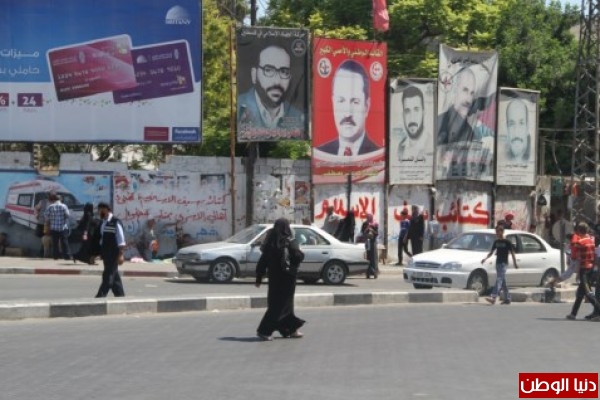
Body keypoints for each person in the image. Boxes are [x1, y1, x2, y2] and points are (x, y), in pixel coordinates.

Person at [255, 218, 305, 341]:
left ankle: (290, 330)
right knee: (281, 306)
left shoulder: (270, 243)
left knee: (280, 304)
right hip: (288, 279)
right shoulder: (290, 241)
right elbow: (298, 256)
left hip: (274, 279)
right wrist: (300, 253)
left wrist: (259, 277)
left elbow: (262, 261)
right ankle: (264, 331)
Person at [317, 60, 380, 156]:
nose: (347, 114)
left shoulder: (377, 155)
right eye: (341, 101)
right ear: (333, 103)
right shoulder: (321, 154)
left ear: (366, 106)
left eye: (355, 102)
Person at [237, 45, 303, 131]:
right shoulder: (238, 109)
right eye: (268, 70)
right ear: (254, 75)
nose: (277, 82)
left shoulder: (298, 117)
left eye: (284, 72)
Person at [565, 223, 600, 320]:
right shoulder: (591, 241)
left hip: (584, 270)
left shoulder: (580, 242)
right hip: (590, 269)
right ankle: (573, 314)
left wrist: (574, 236)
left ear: (579, 231)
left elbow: (574, 248)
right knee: (580, 293)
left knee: (588, 293)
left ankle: (598, 310)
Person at [91, 202, 126, 298]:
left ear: (106, 210)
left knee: (108, 276)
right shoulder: (103, 222)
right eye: (99, 211)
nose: (99, 212)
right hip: (106, 254)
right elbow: (101, 239)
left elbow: (121, 240)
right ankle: (120, 296)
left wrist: (121, 255)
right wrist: (95, 254)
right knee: (114, 277)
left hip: (114, 254)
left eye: (101, 210)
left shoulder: (115, 222)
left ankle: (100, 297)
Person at [482, 225, 519, 305]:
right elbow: (491, 252)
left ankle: (493, 297)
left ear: (502, 231)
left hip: (503, 263)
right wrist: (485, 259)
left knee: (499, 279)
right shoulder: (496, 242)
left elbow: (512, 253)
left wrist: (515, 263)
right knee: (502, 282)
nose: (496, 233)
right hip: (498, 263)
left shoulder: (507, 242)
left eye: (498, 231)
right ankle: (507, 299)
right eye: (496, 231)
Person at [396, 85, 430, 161]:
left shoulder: (431, 143)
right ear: (403, 115)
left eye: (416, 110)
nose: (412, 118)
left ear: (423, 112)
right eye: (407, 111)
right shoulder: (400, 147)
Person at [44, 191, 72, 261]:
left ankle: (55, 256)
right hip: (63, 227)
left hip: (54, 228)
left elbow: (46, 216)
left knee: (55, 243)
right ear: (60, 200)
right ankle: (67, 256)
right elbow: (68, 215)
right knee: (64, 242)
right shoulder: (64, 206)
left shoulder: (50, 207)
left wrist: (50, 220)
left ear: (54, 199)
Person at [360, 213, 379, 279]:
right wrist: (366, 229)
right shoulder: (365, 224)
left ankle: (374, 272)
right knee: (368, 257)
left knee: (373, 257)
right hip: (367, 242)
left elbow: (377, 233)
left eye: (369, 217)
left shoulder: (375, 224)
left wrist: (372, 230)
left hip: (373, 242)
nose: (368, 218)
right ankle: (368, 273)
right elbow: (362, 232)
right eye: (367, 217)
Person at [33, 192, 49, 256]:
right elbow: (36, 208)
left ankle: (42, 253)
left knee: (45, 237)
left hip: (49, 224)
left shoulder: (55, 202)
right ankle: (43, 252)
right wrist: (36, 215)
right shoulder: (42, 202)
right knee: (42, 236)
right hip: (42, 222)